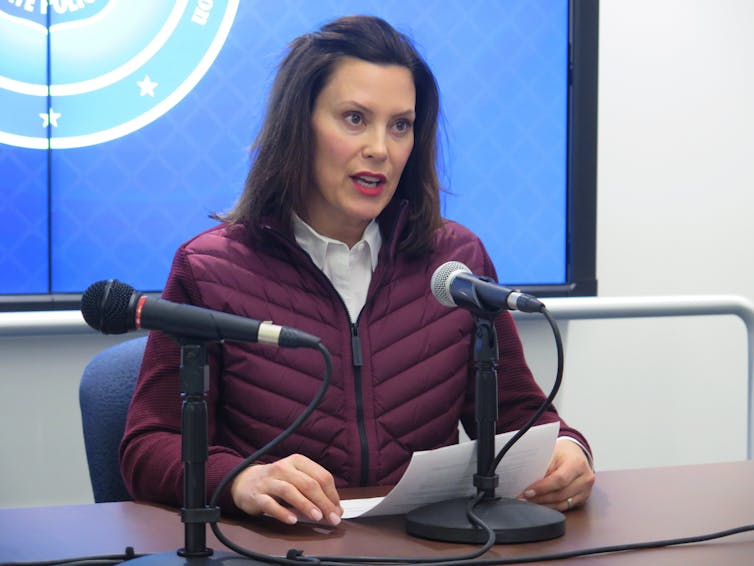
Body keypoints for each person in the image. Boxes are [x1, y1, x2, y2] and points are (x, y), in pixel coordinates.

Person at [120, 14, 594, 528]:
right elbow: (149, 446)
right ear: (298, 124)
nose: (380, 149)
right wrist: (239, 478)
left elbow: (520, 413)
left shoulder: (456, 261)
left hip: (421, 547)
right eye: (354, 119)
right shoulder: (209, 268)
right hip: (283, 548)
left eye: (400, 125)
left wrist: (569, 450)